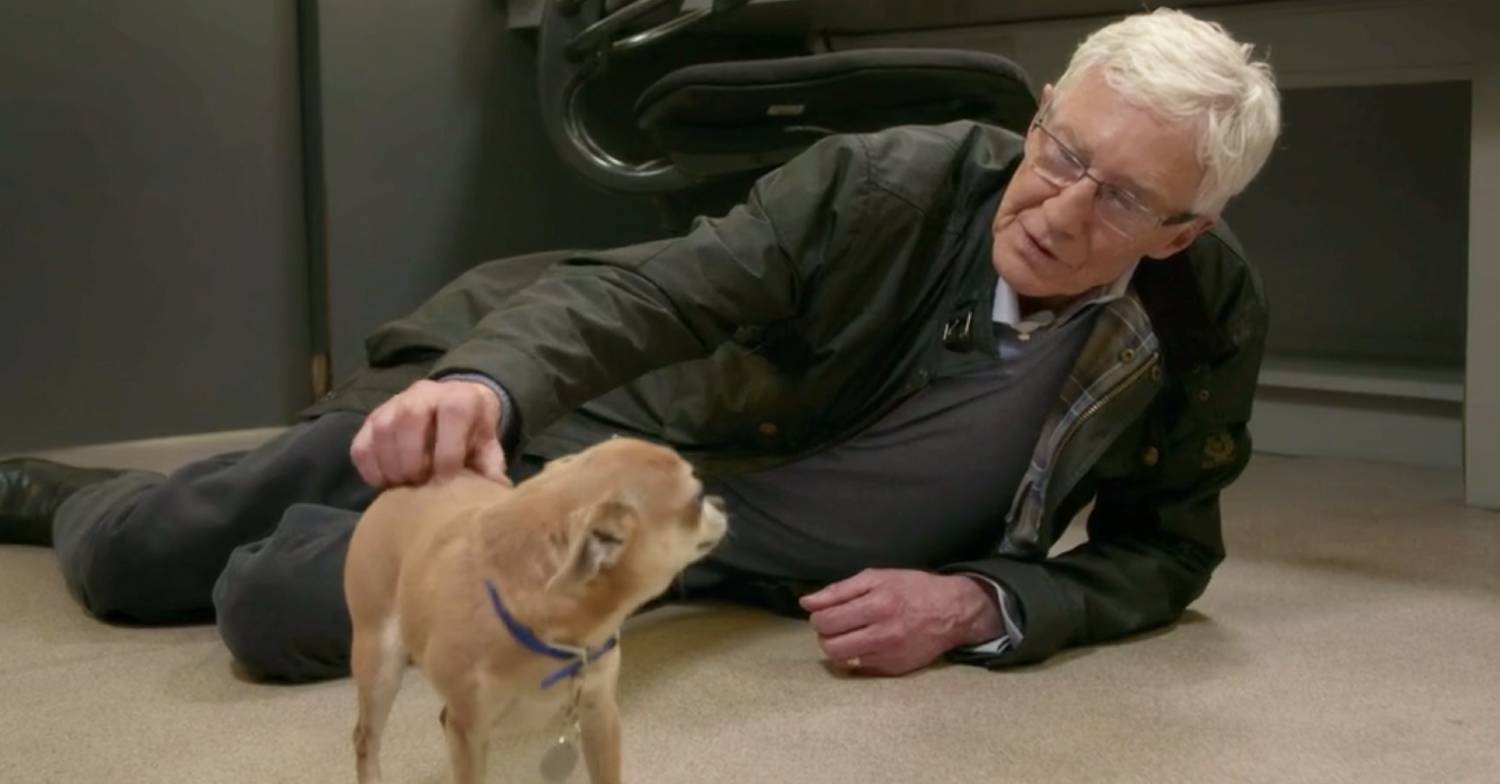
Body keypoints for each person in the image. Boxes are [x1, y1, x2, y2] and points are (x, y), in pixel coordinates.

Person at [0, 8, 1279, 682]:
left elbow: (1167, 548)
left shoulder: (1201, 316)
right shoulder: (893, 187)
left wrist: (993, 600)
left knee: (274, 609)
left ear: (1182, 230)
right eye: (1061, 150)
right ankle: (69, 497)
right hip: (586, 419)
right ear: (1042, 108)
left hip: (680, 538)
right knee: (143, 559)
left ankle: (304, 504)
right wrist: (484, 385)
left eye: (1119, 198)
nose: (1058, 209)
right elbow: (652, 294)